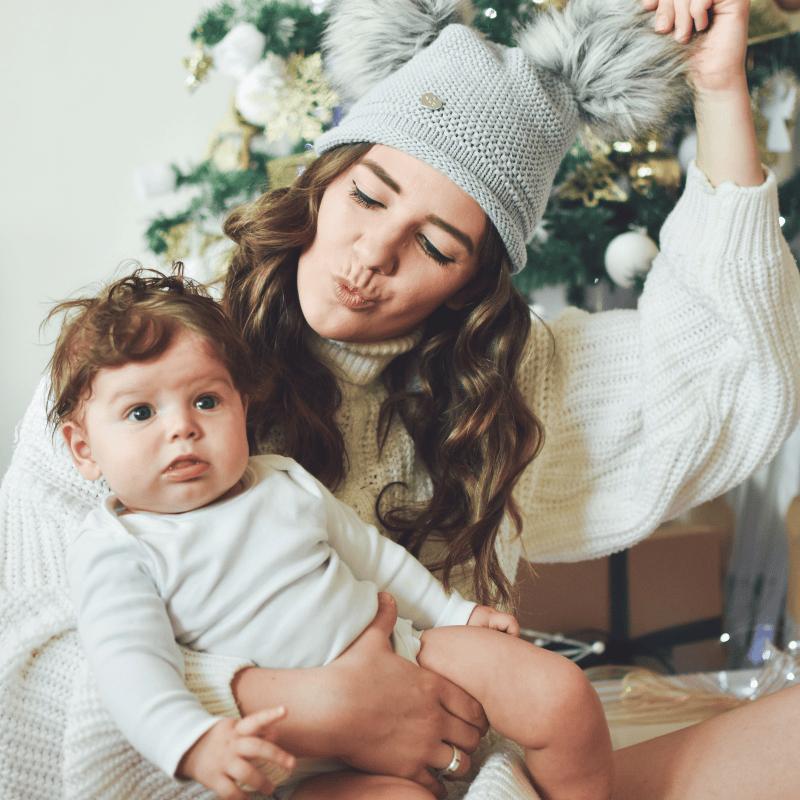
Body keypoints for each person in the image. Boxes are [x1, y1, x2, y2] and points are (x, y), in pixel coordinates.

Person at [3, 0, 800, 797]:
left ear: (471, 286)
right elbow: (28, 671)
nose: (372, 254)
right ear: (325, 179)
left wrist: (720, 84)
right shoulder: (149, 365)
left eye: (434, 245)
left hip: (454, 763)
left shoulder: (506, 390)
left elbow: (721, 368)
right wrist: (308, 706)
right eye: (369, 196)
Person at [53, 269, 613, 800]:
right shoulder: (116, 550)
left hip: (411, 655)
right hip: (300, 757)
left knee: (561, 694)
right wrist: (192, 740)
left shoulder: (279, 479)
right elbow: (129, 668)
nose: (182, 427)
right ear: (85, 449)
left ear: (241, 408)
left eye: (206, 401)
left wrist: (453, 614)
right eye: (141, 412)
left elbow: (375, 559)